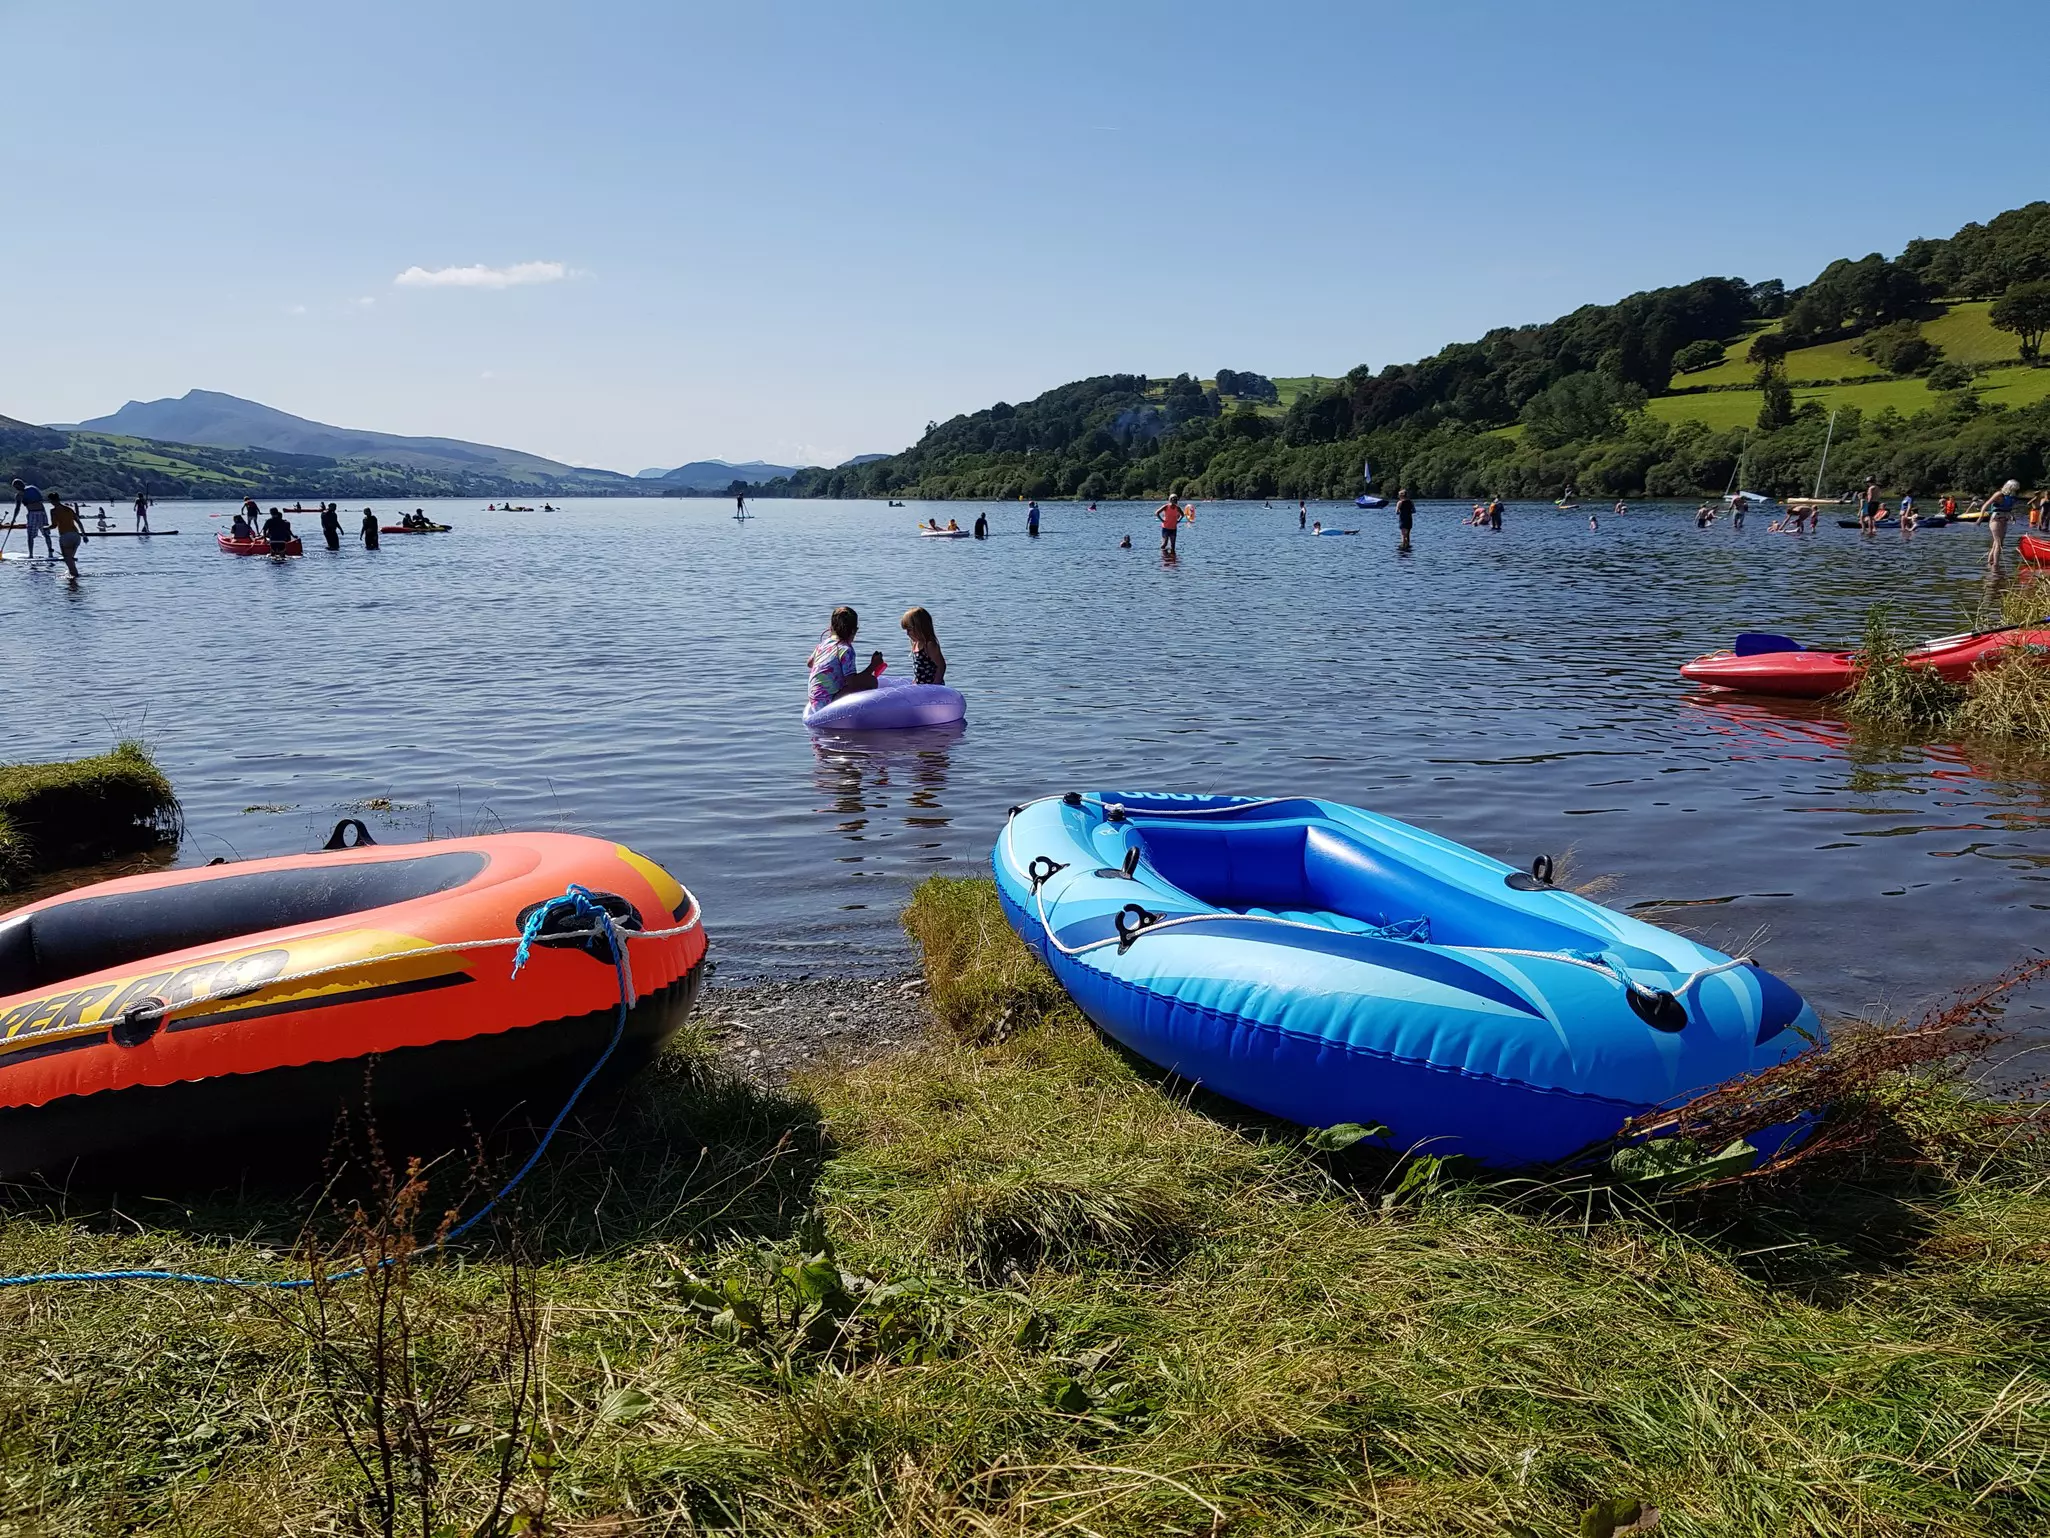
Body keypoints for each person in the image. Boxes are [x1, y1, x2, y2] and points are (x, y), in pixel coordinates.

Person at [808, 606, 885, 710]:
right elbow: (853, 682)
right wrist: (873, 666)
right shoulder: (845, 650)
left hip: (815, 701)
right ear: (854, 631)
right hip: (829, 703)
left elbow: (809, 663)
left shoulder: (823, 645)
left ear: (831, 628)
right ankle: (866, 712)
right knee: (871, 681)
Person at [900, 606, 946, 684]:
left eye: (909, 630)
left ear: (919, 627)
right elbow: (919, 672)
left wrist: (936, 684)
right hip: (921, 686)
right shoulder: (916, 643)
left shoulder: (929, 645)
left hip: (932, 687)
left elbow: (941, 666)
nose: (907, 633)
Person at [1985, 478, 2022, 569]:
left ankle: (1990, 562)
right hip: (1996, 519)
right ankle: (1996, 565)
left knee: (1998, 543)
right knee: (1998, 543)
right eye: (2014, 489)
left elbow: (2007, 509)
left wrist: (2011, 516)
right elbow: (1989, 503)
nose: (2015, 491)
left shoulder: (2010, 498)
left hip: (2004, 519)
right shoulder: (2000, 495)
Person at [47, 493, 85, 578]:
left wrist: (46, 528)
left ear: (51, 501)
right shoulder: (69, 509)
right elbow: (78, 522)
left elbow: (54, 525)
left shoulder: (53, 511)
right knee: (70, 559)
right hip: (76, 536)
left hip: (65, 537)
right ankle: (72, 578)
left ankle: (74, 579)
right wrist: (84, 535)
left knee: (68, 559)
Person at [11, 479, 52, 558]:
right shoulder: (19, 495)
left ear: (21, 484)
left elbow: (40, 500)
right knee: (30, 536)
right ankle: (31, 554)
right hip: (31, 514)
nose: (17, 488)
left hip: (41, 513)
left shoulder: (32, 489)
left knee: (46, 534)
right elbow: (17, 508)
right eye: (16, 487)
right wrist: (14, 518)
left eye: (17, 486)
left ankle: (50, 552)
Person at [1395, 487, 1415, 552]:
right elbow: (1414, 511)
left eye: (1399, 495)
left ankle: (1403, 549)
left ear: (1401, 495)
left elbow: (1397, 512)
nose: (1398, 496)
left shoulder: (1399, 502)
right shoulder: (1411, 502)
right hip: (1409, 519)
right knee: (1408, 536)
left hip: (1403, 520)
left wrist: (1401, 511)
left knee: (1403, 536)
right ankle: (1408, 548)